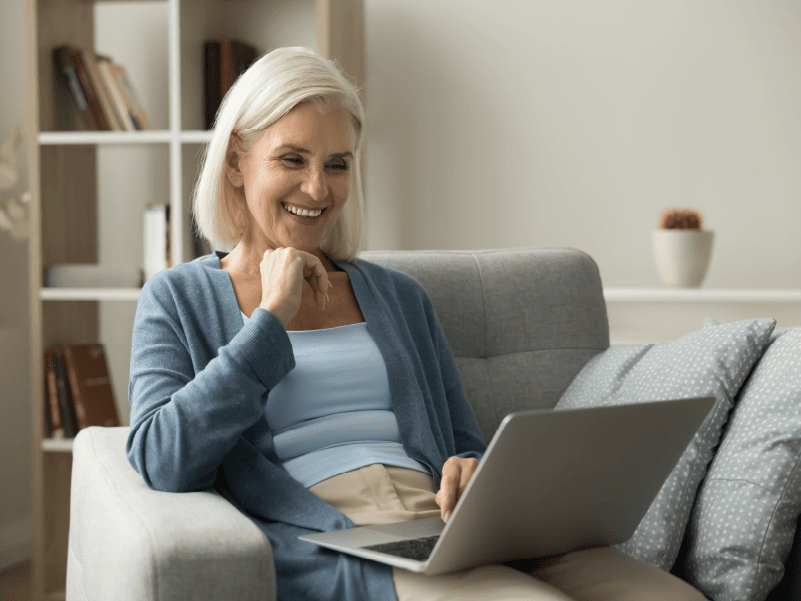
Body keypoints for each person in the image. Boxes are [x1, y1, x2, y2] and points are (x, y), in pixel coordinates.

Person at [127, 47, 706, 601]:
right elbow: (159, 458)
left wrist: (470, 472)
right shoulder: (176, 299)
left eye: (337, 164)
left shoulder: (399, 298)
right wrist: (269, 320)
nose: (317, 188)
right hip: (340, 532)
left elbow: (462, 443)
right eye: (291, 159)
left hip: (447, 525)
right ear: (235, 162)